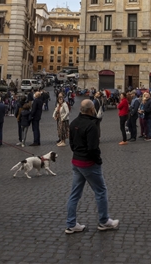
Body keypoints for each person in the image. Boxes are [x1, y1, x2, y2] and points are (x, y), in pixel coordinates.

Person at [64, 100, 119, 234]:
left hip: (76, 161)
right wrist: (98, 161)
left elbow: (71, 144)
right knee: (101, 191)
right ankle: (104, 221)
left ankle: (71, 224)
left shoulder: (73, 123)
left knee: (74, 194)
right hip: (88, 163)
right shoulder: (91, 125)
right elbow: (93, 148)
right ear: (91, 110)